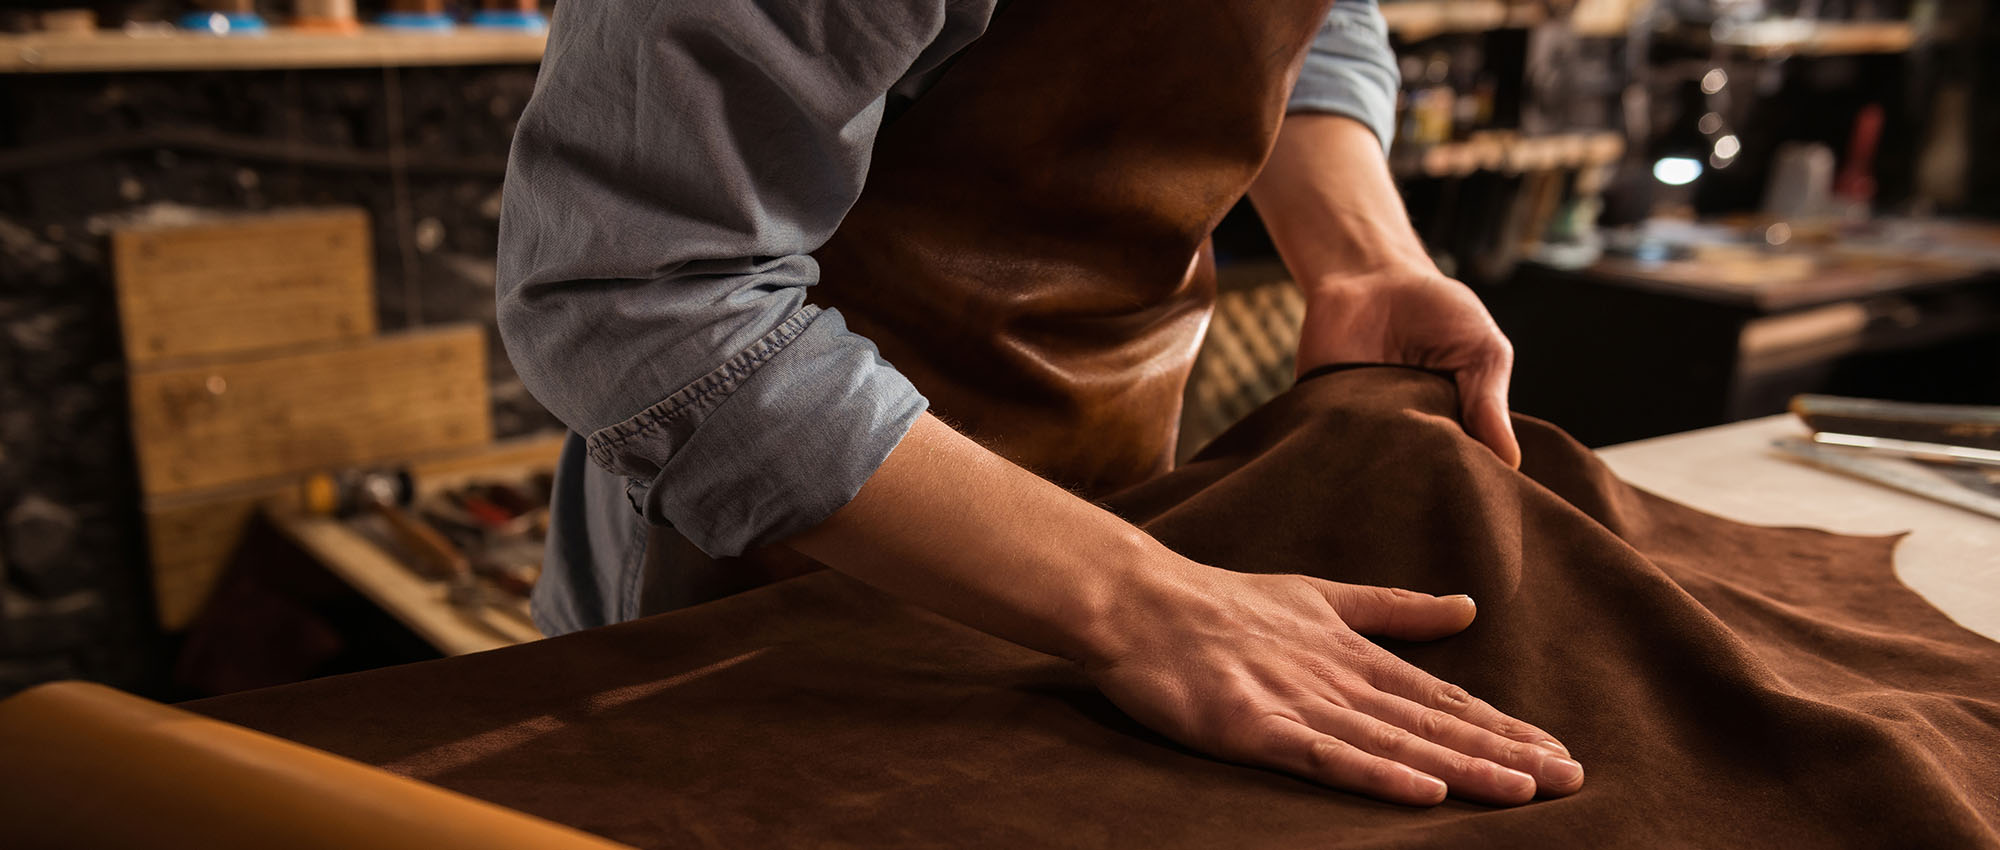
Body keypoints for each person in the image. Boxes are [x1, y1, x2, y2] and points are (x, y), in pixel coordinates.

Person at [496, 0, 1583, 808]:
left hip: (1127, 525)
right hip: (783, 579)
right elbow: (636, 297)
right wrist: (1145, 603)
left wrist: (1360, 260)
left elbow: (1318, 22)